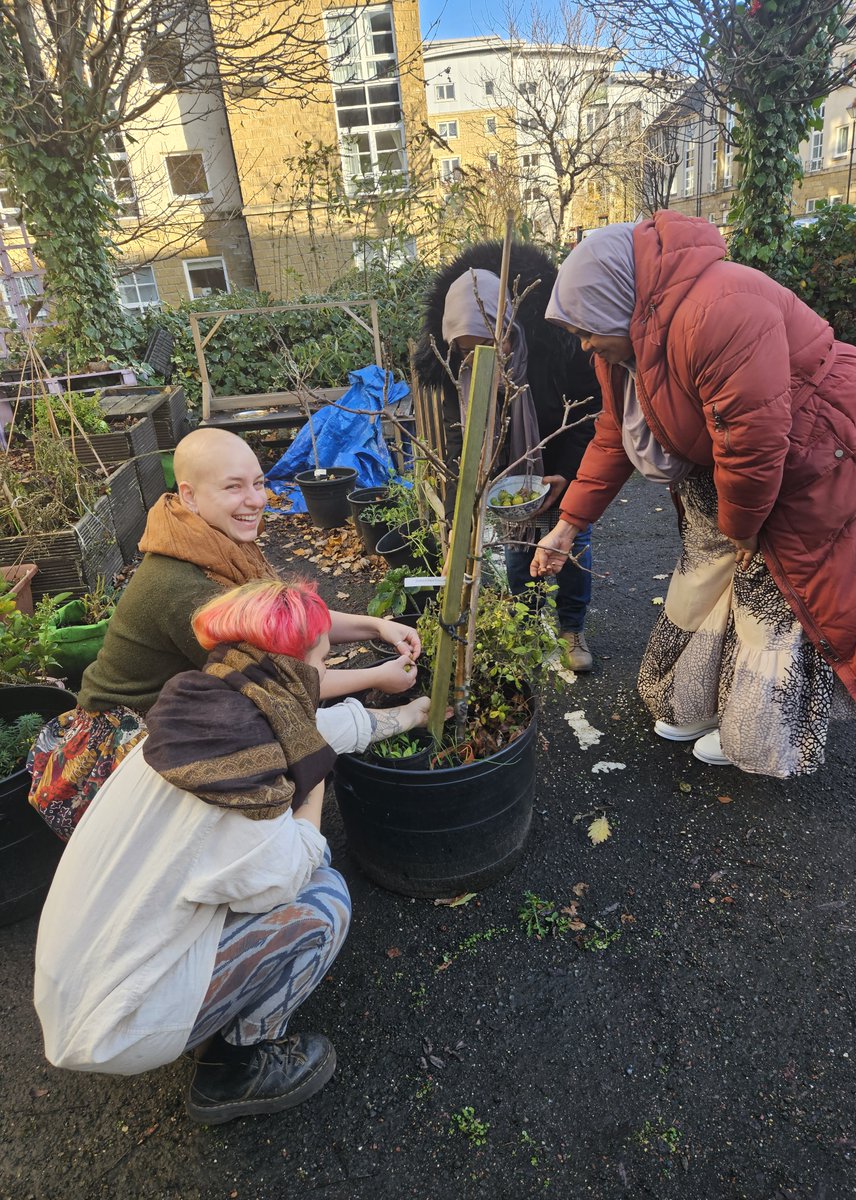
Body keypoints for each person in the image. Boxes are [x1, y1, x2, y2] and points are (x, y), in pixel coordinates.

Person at [34, 578, 433, 1122]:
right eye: (323, 658)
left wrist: (408, 717)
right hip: (116, 1022)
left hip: (79, 974)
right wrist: (313, 775)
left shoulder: (203, 716)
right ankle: (234, 1069)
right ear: (302, 669)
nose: (327, 668)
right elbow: (290, 865)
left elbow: (302, 731)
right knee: (322, 898)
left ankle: (208, 1005)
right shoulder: (243, 782)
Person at [531, 211, 856, 778]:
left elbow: (753, 446)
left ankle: (762, 732)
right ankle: (701, 700)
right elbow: (613, 434)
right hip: (739, 457)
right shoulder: (625, 344)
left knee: (774, 594)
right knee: (708, 574)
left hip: (821, 449)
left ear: (619, 301)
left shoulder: (720, 308)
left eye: (585, 330)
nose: (583, 346)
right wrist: (568, 525)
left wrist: (745, 530)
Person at [28, 427, 424, 839]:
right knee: (284, 738)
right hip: (131, 745)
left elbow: (294, 621)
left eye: (258, 483)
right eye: (234, 487)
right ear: (190, 495)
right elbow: (283, 687)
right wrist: (380, 678)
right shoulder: (187, 588)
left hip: (180, 710)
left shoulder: (209, 540)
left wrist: (377, 625)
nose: (256, 500)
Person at [414, 242, 602, 673]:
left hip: (561, 462)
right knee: (520, 550)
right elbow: (458, 437)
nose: (479, 360)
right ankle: (528, 625)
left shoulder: (555, 353)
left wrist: (568, 477)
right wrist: (471, 498)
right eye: (466, 350)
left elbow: (589, 416)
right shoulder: (452, 370)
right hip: (509, 477)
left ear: (506, 329)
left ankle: (572, 628)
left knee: (574, 546)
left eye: (487, 344)